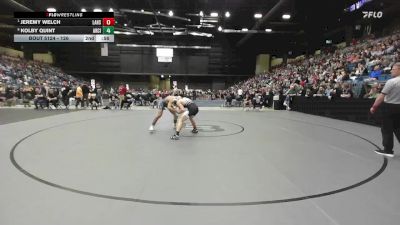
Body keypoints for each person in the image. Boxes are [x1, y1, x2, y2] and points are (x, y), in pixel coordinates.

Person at [370, 62, 400, 157]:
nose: (391, 71)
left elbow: (381, 96)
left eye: (393, 69)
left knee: (387, 129)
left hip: (389, 107)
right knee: (398, 128)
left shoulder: (391, 82)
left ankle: (388, 150)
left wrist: (374, 107)